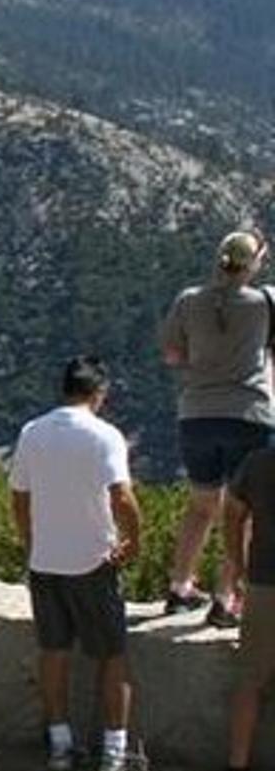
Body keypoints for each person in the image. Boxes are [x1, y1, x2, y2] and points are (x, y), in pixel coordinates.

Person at [9, 356, 143, 771]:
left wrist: (32, 542)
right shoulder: (104, 436)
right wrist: (134, 540)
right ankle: (114, 751)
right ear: (98, 393)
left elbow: (19, 497)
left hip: (45, 561)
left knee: (54, 652)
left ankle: (61, 744)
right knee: (112, 655)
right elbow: (121, 496)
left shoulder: (33, 432)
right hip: (93, 561)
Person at [160, 229, 275, 628]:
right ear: (256, 261)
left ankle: (180, 587)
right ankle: (227, 597)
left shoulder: (188, 300)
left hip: (196, 415)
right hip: (249, 416)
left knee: (201, 505)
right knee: (242, 512)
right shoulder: (265, 302)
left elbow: (172, 354)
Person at [221, 437, 275, 771]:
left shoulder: (258, 463)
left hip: (264, 580)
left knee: (250, 678)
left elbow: (232, 513)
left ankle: (237, 765)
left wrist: (237, 565)